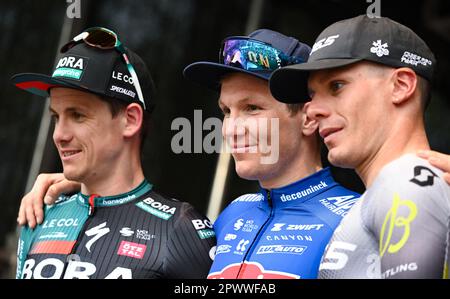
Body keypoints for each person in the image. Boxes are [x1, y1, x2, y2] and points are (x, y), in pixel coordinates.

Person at [16, 29, 362, 279]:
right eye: (226, 111)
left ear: (307, 116)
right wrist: (86, 187)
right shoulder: (227, 219)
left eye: (252, 108)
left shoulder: (357, 218)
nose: (231, 129)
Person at [12, 27, 215, 279]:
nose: (59, 135)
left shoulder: (178, 229)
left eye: (77, 115)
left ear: (130, 120)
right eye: (56, 117)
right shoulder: (41, 215)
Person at [270, 15, 450, 278]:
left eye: (336, 86)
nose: (313, 111)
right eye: (312, 95)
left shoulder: (406, 182)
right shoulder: (387, 190)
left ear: (401, 86)